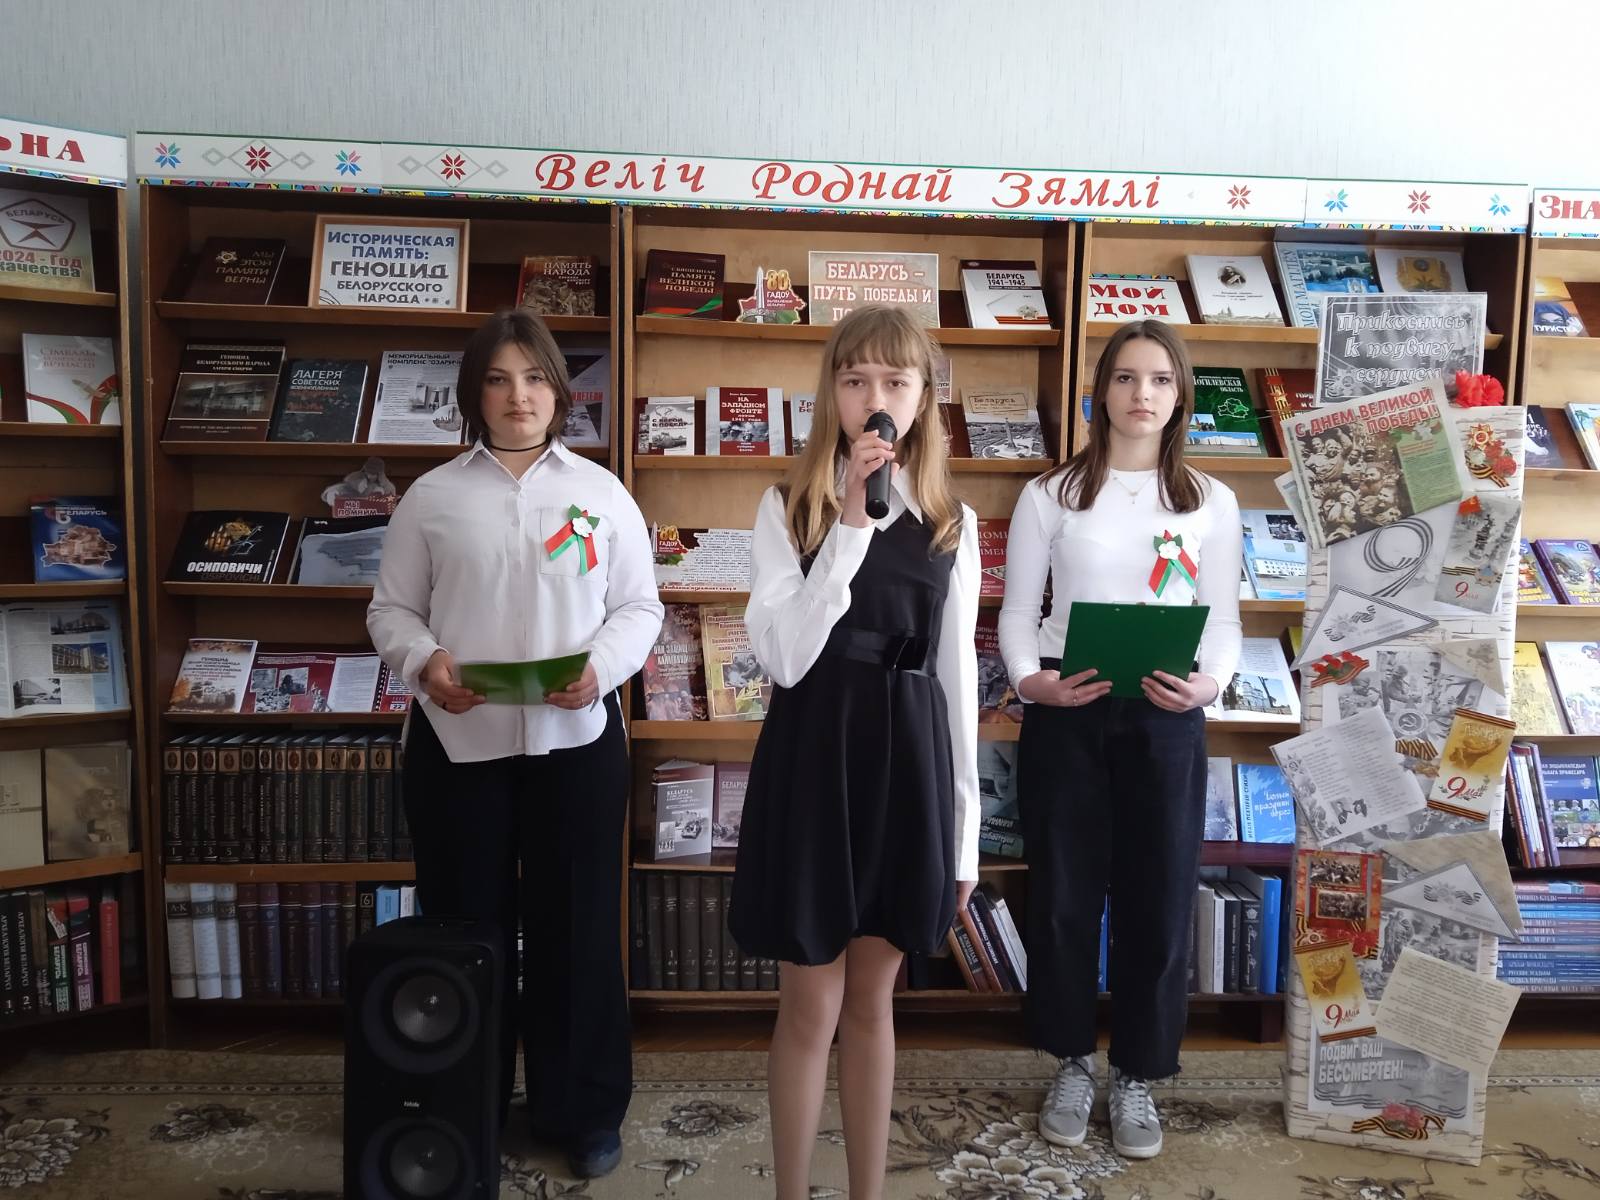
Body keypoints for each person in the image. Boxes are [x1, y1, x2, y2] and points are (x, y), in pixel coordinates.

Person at [367, 307, 663, 1180]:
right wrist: (424, 661)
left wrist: (603, 669)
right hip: (459, 747)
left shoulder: (602, 493)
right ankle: (470, 1107)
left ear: (559, 392)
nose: (518, 396)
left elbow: (639, 607)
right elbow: (391, 609)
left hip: (577, 743)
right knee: (467, 933)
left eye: (533, 378)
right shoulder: (432, 496)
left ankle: (583, 1112)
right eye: (497, 380)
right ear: (475, 395)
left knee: (578, 932)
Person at [730, 305, 980, 1200]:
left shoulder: (951, 522)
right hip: (815, 762)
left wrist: (964, 839)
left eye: (895, 381)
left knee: (874, 1002)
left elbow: (956, 686)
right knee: (810, 1004)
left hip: (905, 769)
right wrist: (847, 525)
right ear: (831, 394)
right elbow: (786, 659)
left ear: (921, 399)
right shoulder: (787, 508)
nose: (875, 397)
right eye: (855, 379)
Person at [998, 319, 1242, 1159]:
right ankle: (1070, 1061)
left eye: (1162, 380)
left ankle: (1137, 1072)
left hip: (1167, 713)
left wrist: (1211, 683)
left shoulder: (1209, 500)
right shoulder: (1052, 494)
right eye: (1128, 377)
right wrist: (1030, 681)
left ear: (1180, 396)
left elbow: (1224, 620)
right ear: (1100, 391)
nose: (1144, 394)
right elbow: (1018, 613)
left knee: (1159, 895)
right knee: (1064, 895)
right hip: (1068, 707)